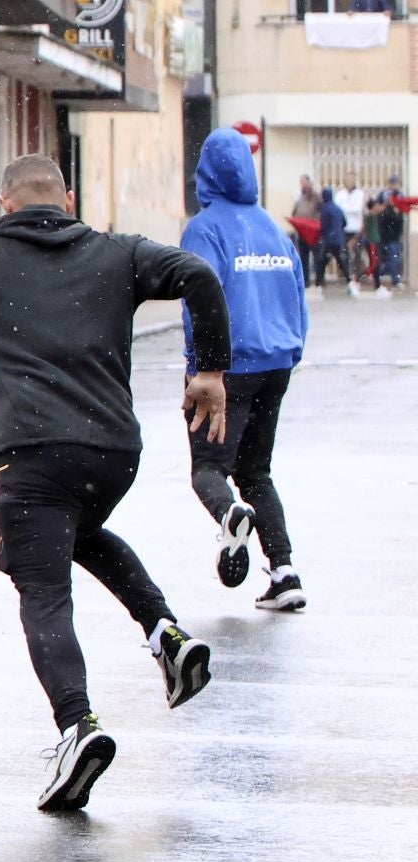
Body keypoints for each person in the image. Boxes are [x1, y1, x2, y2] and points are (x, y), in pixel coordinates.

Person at [0, 154, 231, 813]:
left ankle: (78, 727)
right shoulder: (117, 253)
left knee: (42, 590)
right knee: (82, 532)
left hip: (35, 451)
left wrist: (9, 351)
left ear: (3, 202)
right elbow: (199, 275)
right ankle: (166, 634)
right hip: (111, 453)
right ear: (67, 198)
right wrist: (211, 367)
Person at [180, 128, 310, 615]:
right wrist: (290, 353)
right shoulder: (274, 228)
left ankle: (229, 515)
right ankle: (284, 572)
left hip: (226, 369)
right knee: (256, 470)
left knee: (209, 469)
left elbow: (202, 298)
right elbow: (298, 296)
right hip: (277, 363)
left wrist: (201, 367)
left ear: (205, 172)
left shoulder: (205, 227)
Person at [336, 171, 366, 295]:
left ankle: (357, 278)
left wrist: (346, 207)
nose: (349, 181)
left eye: (351, 179)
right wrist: (349, 208)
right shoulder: (340, 194)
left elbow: (357, 208)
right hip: (343, 229)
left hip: (356, 229)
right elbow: (338, 209)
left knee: (358, 254)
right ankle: (348, 279)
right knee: (344, 255)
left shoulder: (360, 194)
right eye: (347, 179)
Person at [289, 174, 321, 284]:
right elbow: (294, 212)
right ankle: (305, 280)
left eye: (304, 182)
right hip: (302, 232)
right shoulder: (299, 198)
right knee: (303, 256)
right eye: (301, 182)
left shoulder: (316, 197)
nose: (303, 184)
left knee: (317, 256)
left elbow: (320, 211)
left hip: (313, 232)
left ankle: (319, 280)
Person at [316, 186, 349, 289]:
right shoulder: (338, 208)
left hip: (329, 239)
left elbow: (323, 225)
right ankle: (349, 280)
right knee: (340, 260)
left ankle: (319, 282)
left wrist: (323, 234)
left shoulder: (325, 209)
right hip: (338, 239)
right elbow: (344, 222)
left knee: (322, 261)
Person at [374, 175, 403, 290]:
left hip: (394, 233)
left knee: (394, 257)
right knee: (380, 258)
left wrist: (395, 205)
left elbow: (400, 212)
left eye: (396, 183)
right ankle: (378, 280)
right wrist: (386, 204)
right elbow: (376, 209)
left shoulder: (401, 196)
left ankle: (395, 281)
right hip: (382, 231)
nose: (393, 186)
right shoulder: (383, 195)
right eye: (392, 183)